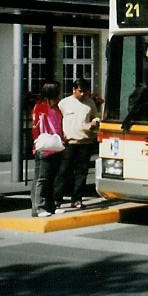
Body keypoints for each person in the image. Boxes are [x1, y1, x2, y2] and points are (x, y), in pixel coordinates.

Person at [55, 78, 100, 209]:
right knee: (63, 171)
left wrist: (95, 122)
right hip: (69, 142)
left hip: (85, 142)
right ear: (73, 89)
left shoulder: (90, 103)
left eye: (85, 91)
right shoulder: (64, 103)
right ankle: (57, 199)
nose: (82, 94)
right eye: (80, 91)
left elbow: (96, 116)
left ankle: (77, 199)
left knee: (81, 173)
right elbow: (57, 119)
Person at [31, 81, 65, 217]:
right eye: (57, 93)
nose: (58, 97)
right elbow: (36, 127)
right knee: (42, 179)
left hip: (55, 147)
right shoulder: (41, 107)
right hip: (44, 147)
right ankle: (39, 207)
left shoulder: (55, 108)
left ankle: (50, 206)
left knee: (50, 178)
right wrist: (37, 143)